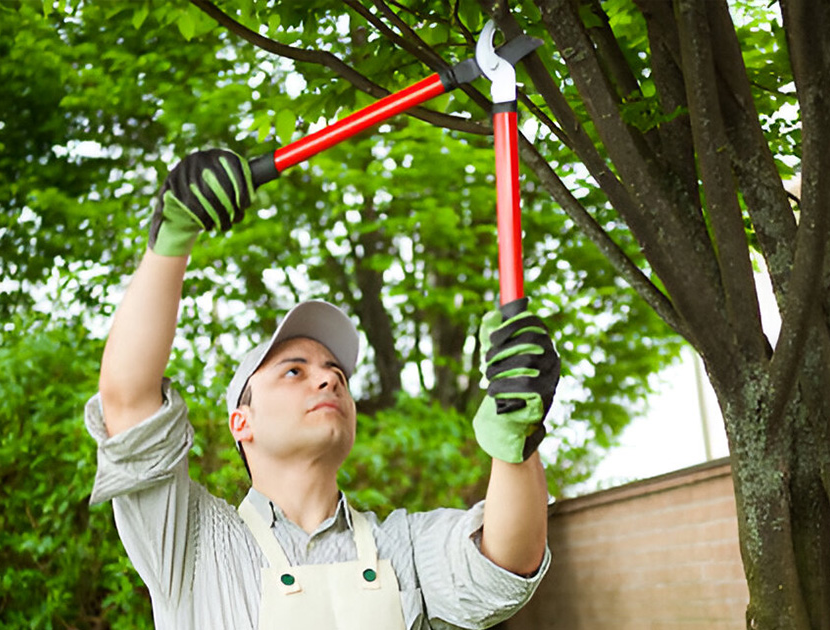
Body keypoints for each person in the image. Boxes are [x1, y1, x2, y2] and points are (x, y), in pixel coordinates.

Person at [84, 149, 561, 629]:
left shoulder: (406, 548)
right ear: (241, 422)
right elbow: (128, 404)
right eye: (294, 371)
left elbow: (507, 563)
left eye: (337, 372)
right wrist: (171, 240)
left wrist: (516, 439)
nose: (328, 377)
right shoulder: (194, 541)